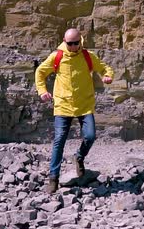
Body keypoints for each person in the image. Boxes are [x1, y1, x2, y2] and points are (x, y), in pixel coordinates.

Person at [35, 28, 114, 194]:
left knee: (90, 136)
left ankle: (79, 157)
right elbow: (40, 72)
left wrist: (107, 76)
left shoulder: (87, 56)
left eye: (75, 43)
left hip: (84, 105)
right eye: (69, 43)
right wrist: (42, 91)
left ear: (81, 41)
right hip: (63, 105)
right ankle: (53, 178)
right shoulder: (57, 56)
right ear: (64, 40)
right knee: (59, 141)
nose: (71, 46)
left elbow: (104, 68)